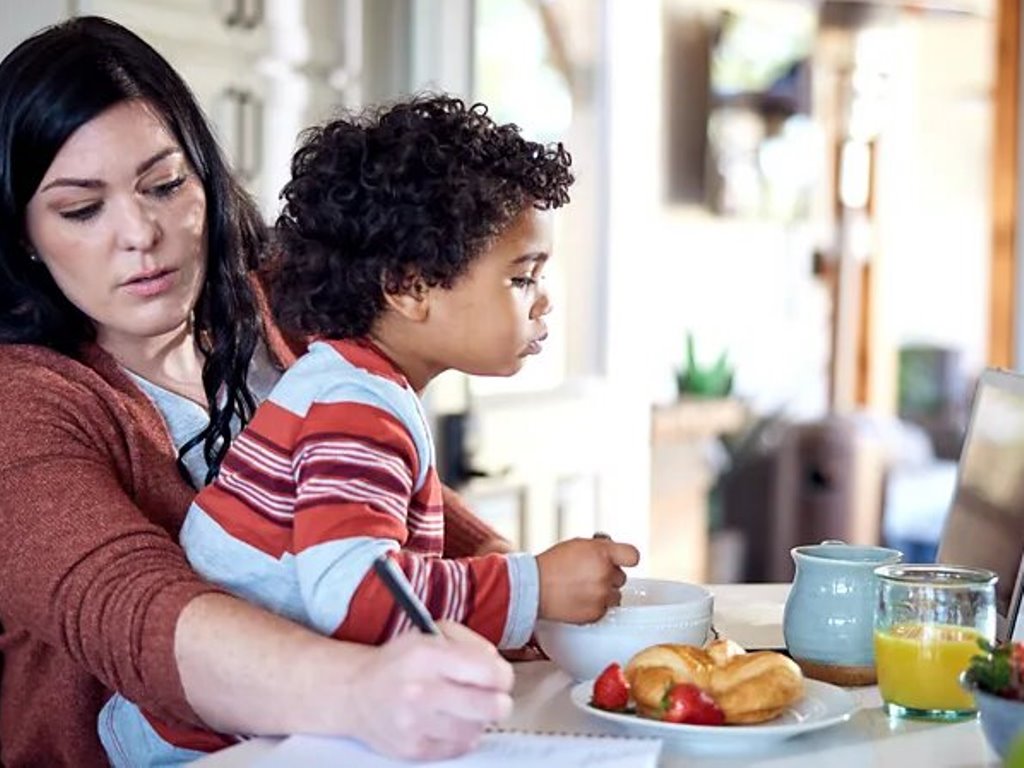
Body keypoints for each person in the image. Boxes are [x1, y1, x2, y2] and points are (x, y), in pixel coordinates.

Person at [0, 17, 519, 767]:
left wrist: (537, 593)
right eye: (83, 209)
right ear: (22, 236)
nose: (140, 233)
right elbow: (135, 608)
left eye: (164, 184)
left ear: (206, 176)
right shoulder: (24, 403)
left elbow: (387, 492)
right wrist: (361, 690)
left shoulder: (282, 308)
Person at [102, 94, 641, 765]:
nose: (543, 300)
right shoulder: (355, 411)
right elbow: (359, 597)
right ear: (409, 287)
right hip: (208, 747)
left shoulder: (351, 382)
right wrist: (533, 588)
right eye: (521, 277)